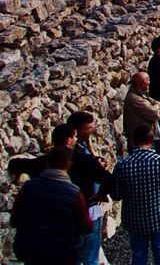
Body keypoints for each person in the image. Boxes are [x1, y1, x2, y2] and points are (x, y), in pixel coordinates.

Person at [111, 125, 160, 265]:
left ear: (134, 141)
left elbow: (116, 195)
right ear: (152, 140)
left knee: (138, 255)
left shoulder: (122, 165)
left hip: (134, 219)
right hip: (159, 215)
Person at [12, 145, 92, 265]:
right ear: (69, 164)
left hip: (32, 252)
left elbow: (15, 219)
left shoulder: (28, 188)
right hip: (63, 254)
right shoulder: (74, 194)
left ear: (48, 162)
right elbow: (86, 226)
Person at [67, 111, 112, 265]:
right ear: (76, 130)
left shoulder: (82, 147)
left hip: (85, 203)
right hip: (87, 203)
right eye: (89, 128)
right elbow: (106, 178)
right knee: (89, 247)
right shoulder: (78, 155)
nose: (93, 130)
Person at [123, 72, 160, 149]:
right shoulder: (135, 99)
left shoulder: (141, 96)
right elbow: (153, 113)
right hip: (140, 142)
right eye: (147, 80)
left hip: (145, 140)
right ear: (142, 83)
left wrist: (157, 105)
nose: (149, 82)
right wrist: (158, 106)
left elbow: (155, 103)